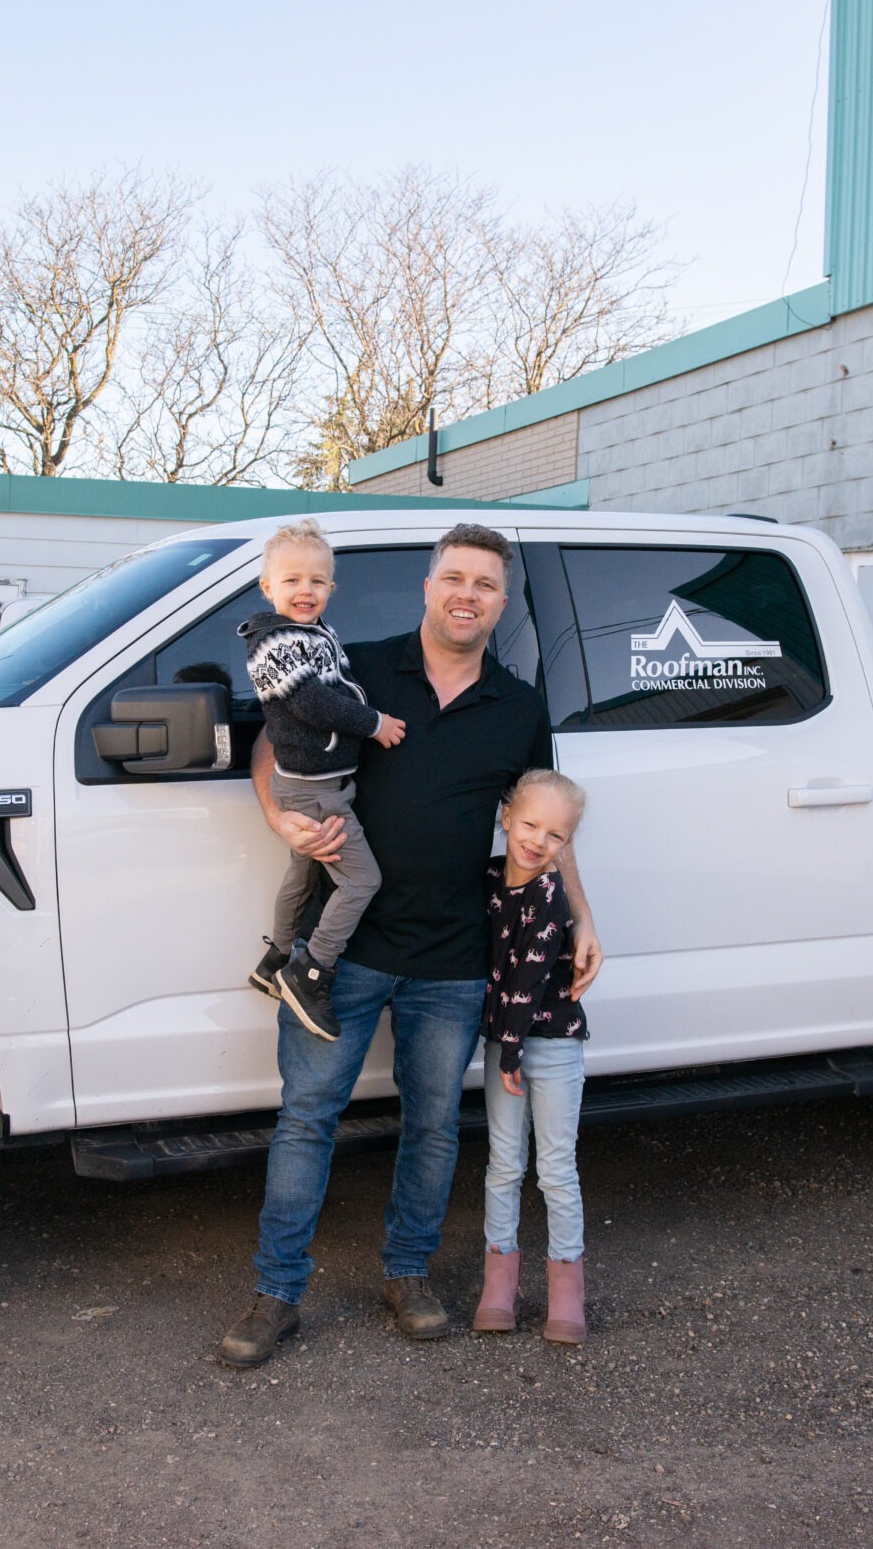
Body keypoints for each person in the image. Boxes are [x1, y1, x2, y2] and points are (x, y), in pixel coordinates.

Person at [216, 523, 602, 1370]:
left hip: (455, 956)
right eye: (454, 577)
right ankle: (276, 1293)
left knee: (431, 1126)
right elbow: (268, 745)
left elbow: (548, 821)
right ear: (428, 586)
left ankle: (409, 1274)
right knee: (306, 1121)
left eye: (486, 585)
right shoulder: (357, 665)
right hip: (340, 952)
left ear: (502, 603)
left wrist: (579, 914)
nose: (468, 594)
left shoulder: (518, 706)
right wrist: (280, 817)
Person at [238, 519, 406, 1040]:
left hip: (321, 780)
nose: (305, 590)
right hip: (312, 789)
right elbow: (311, 702)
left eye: (316, 581)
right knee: (362, 880)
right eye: (291, 581)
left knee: (305, 871)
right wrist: (375, 723)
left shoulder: (315, 634)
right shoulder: (275, 643)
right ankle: (309, 970)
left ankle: (276, 956)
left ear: (332, 588)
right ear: (267, 588)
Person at [470, 768, 594, 1345]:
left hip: (549, 1045)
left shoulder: (549, 894)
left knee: (556, 1169)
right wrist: (503, 1049)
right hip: (507, 1047)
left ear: (566, 846)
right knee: (502, 1165)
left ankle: (566, 1289)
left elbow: (527, 978)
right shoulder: (491, 879)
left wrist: (511, 1052)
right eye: (529, 824)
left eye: (556, 835)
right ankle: (499, 1281)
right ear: (506, 819)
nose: (538, 840)